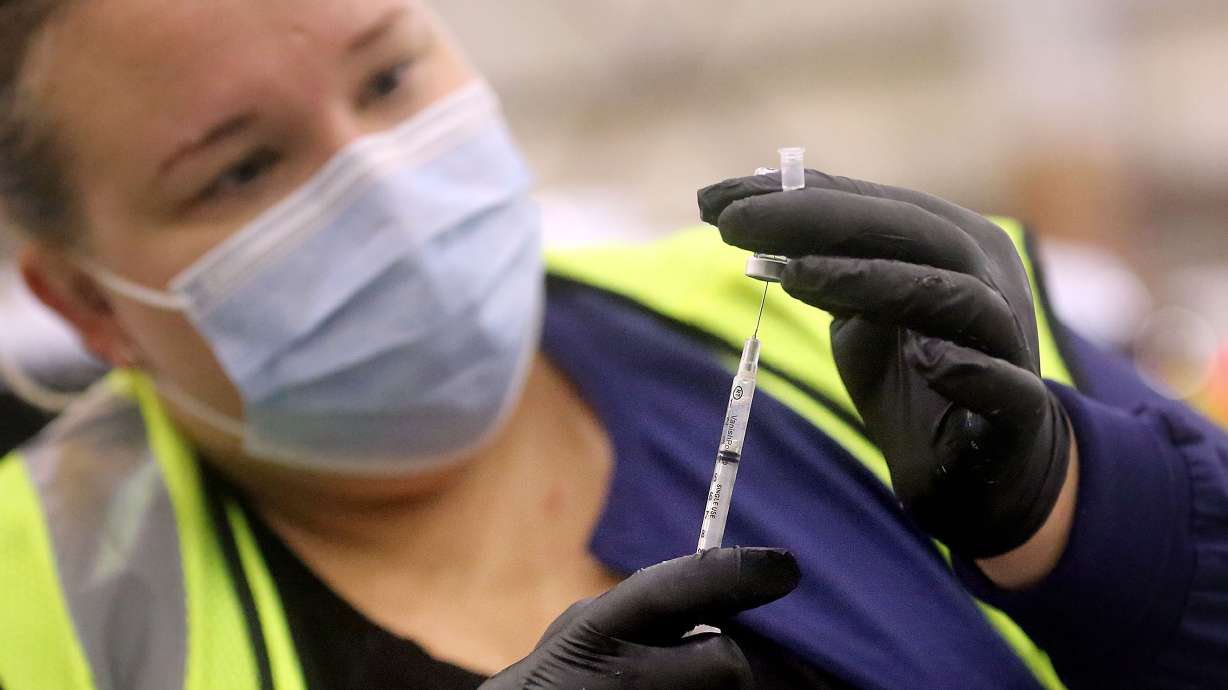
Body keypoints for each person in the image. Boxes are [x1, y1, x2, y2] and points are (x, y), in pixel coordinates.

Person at [0, 1, 1224, 688]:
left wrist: (1083, 517)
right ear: (84, 304)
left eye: (386, 79)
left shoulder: (840, 326)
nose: (384, 190)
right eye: (244, 167)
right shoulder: (37, 608)